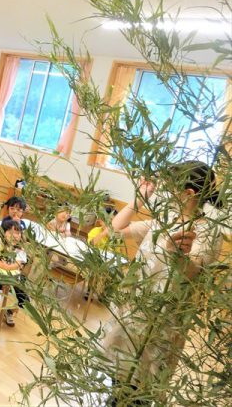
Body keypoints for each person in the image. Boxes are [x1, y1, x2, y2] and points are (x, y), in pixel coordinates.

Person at [103, 161, 223, 402]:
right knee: (118, 383)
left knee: (140, 390)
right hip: (132, 315)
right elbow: (112, 231)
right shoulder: (164, 220)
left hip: (160, 326)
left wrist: (176, 253)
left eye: (171, 187)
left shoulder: (208, 232)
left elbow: (191, 270)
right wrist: (139, 199)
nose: (165, 191)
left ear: (188, 193)